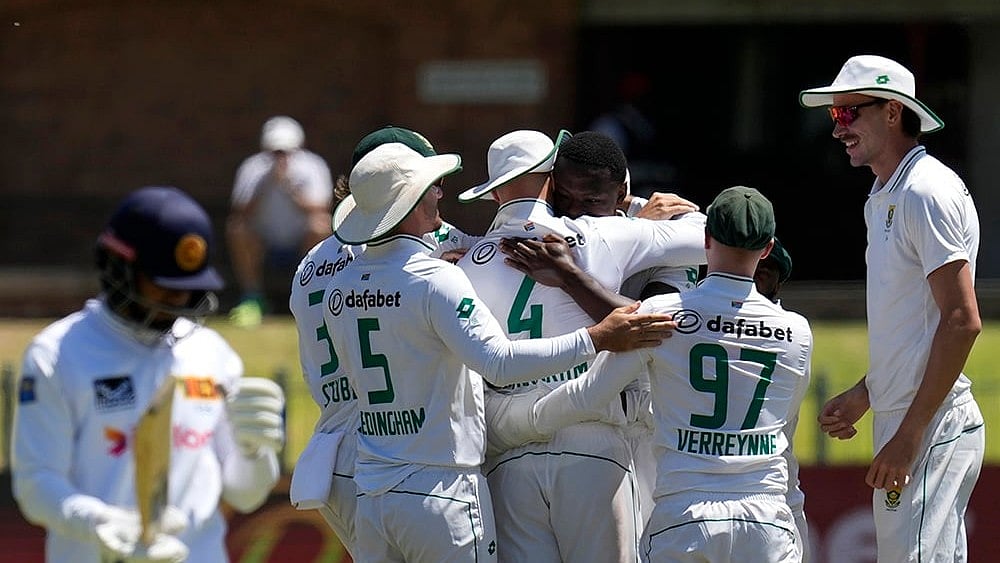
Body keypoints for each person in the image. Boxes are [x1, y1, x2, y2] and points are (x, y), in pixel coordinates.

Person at [320, 142, 676, 563]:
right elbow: (499, 362)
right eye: (431, 188)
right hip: (442, 488)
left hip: (373, 488)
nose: (441, 194)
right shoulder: (439, 278)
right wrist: (597, 338)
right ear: (410, 202)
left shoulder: (338, 289)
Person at [455, 129, 707, 563]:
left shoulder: (466, 260)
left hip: (509, 453)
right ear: (552, 178)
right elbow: (709, 236)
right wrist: (633, 211)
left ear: (495, 195)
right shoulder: (602, 233)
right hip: (590, 439)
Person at [534, 185, 812, 561]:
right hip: (766, 521)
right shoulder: (796, 330)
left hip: (685, 514)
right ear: (766, 248)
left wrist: (522, 423)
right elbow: (785, 435)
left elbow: (588, 394)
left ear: (706, 238)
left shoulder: (664, 313)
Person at [12, 186, 285, 563]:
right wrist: (99, 523)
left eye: (186, 290)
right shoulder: (58, 354)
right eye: (163, 285)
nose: (175, 302)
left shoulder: (212, 353)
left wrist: (256, 451)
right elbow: (34, 483)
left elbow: (246, 495)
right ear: (118, 267)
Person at [801, 54, 985, 561]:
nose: (838, 129)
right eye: (833, 116)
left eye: (848, 114)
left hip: (930, 426)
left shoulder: (925, 190)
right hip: (909, 420)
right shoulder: (885, 193)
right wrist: (868, 391)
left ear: (891, 111)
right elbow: (914, 321)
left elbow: (961, 321)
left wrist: (908, 436)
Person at [286, 125, 474, 558]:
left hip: (333, 457)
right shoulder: (409, 244)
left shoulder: (309, 263)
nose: (439, 194)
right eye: (432, 183)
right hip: (393, 452)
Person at [227, 115, 334, 327]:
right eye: (275, 152)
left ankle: (315, 293)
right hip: (264, 240)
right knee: (237, 228)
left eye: (285, 151)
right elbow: (240, 211)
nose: (280, 157)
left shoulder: (313, 166)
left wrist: (290, 189)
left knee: (321, 224)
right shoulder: (252, 168)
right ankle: (252, 297)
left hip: (300, 238)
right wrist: (267, 185)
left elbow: (322, 207)